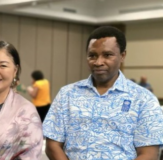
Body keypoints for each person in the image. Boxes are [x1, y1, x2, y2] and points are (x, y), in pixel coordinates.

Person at [43, 26, 163, 160]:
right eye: (92, 55)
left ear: (122, 56)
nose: (98, 62)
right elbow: (52, 145)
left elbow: (149, 154)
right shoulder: (67, 94)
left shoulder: (143, 99)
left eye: (107, 55)